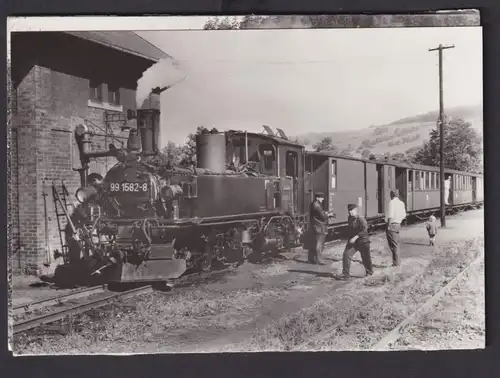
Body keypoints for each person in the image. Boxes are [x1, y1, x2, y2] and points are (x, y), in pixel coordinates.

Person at [335, 204, 373, 280]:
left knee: (366, 258)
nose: (350, 212)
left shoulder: (361, 219)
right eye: (349, 211)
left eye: (352, 210)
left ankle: (369, 273)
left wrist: (355, 237)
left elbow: (364, 230)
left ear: (356, 210)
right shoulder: (350, 218)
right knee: (346, 255)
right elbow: (350, 229)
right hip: (353, 241)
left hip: (363, 241)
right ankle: (345, 275)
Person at [308, 192, 332, 265]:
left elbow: (319, 214)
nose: (323, 199)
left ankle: (311, 259)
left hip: (314, 226)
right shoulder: (317, 206)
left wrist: (325, 213)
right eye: (321, 197)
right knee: (319, 244)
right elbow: (323, 217)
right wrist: (329, 214)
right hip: (319, 227)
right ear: (317, 198)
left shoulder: (313, 204)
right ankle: (320, 260)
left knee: (313, 243)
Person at [385, 189, 407, 267]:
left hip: (392, 224)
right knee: (396, 244)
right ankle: (396, 262)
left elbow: (390, 215)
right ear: (397, 195)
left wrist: (389, 225)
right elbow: (404, 215)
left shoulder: (391, 203)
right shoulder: (401, 203)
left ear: (392, 195)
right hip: (398, 224)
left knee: (393, 245)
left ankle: (396, 263)